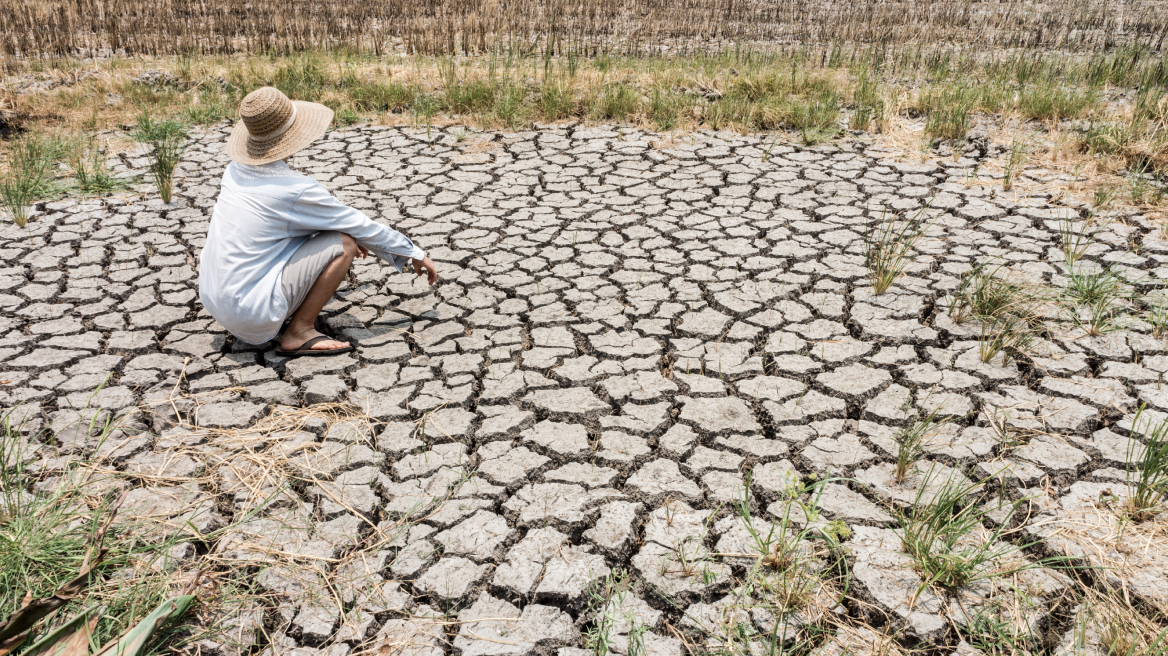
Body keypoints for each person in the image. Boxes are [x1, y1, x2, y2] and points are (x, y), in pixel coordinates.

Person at [198, 87, 437, 357]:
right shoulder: (293, 190)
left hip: (216, 298)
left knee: (338, 233)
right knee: (344, 243)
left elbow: (278, 225)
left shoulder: (235, 170)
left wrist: (330, 229)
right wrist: (414, 252)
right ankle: (299, 331)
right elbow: (359, 226)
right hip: (251, 311)